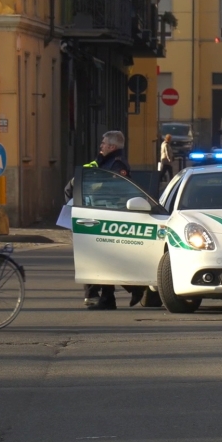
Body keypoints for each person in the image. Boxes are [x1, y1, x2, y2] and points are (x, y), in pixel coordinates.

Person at [65, 131, 144, 310]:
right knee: (101, 257)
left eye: (104, 143)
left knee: (105, 257)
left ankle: (133, 288)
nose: (101, 146)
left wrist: (92, 187)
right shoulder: (101, 161)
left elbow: (114, 188)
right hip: (96, 213)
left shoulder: (118, 164)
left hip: (110, 216)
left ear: (112, 147)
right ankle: (109, 297)